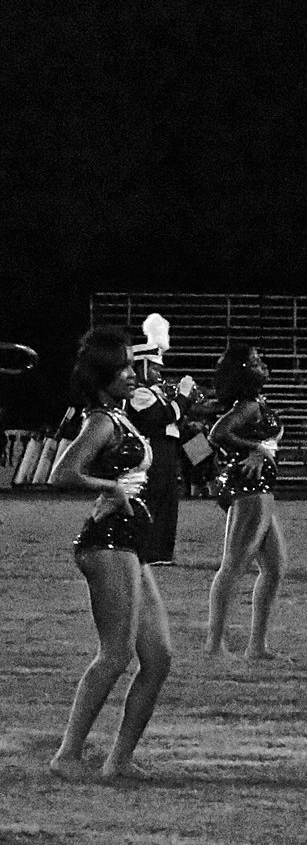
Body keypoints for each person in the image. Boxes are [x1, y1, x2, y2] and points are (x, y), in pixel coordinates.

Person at [49, 328, 177, 780]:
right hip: (107, 545)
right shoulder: (102, 420)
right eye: (122, 368)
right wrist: (112, 489)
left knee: (158, 657)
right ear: (104, 378)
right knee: (116, 653)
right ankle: (67, 755)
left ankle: (118, 760)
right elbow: (63, 473)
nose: (131, 373)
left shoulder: (120, 417)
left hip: (129, 546)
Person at [203, 341, 288, 665]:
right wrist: (256, 447)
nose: (261, 363)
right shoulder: (248, 405)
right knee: (234, 566)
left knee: (275, 568)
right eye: (255, 361)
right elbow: (218, 433)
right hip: (250, 489)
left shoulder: (254, 403)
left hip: (259, 488)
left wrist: (259, 447)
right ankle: (214, 646)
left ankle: (257, 646)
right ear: (243, 372)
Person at [125, 314, 186, 567]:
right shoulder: (138, 393)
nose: (160, 373)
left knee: (169, 498)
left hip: (167, 449)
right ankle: (147, 550)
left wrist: (179, 400)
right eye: (156, 368)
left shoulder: (153, 392)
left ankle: (162, 552)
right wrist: (181, 397)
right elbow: (162, 417)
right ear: (143, 367)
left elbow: (174, 419)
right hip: (152, 449)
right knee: (154, 496)